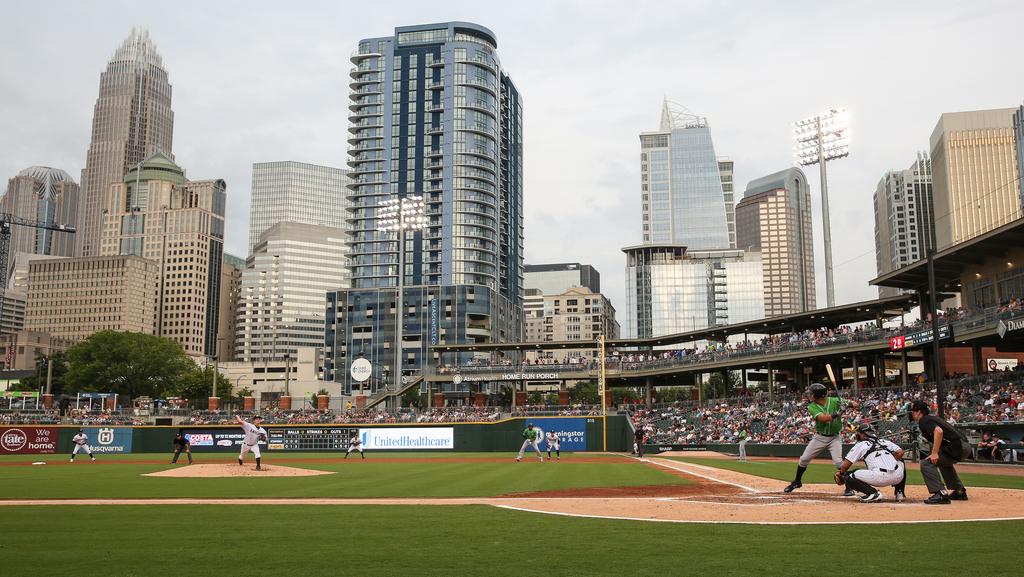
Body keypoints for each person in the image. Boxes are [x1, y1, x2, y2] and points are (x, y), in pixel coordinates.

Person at [783, 383, 853, 495]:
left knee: (839, 463)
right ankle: (797, 482)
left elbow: (855, 404)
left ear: (818, 395)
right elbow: (824, 419)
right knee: (804, 459)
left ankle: (849, 487)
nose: (809, 395)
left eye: (811, 393)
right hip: (820, 437)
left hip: (834, 437)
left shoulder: (835, 400)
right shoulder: (812, 406)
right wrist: (839, 412)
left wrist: (848, 404)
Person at [909, 399, 970, 504]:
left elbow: (938, 431)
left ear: (919, 412)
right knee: (941, 462)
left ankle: (940, 494)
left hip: (957, 447)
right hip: (964, 446)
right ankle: (959, 491)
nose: (911, 413)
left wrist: (934, 452)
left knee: (926, 463)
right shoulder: (932, 417)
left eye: (913, 411)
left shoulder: (924, 420)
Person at [835, 424, 906, 503]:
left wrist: (841, 474)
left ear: (863, 434)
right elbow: (900, 453)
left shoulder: (861, 445)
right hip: (898, 477)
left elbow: (845, 466)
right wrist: (892, 461)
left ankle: (873, 493)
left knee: (848, 476)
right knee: (900, 461)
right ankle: (899, 492)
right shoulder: (884, 441)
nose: (857, 434)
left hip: (880, 478)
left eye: (858, 433)